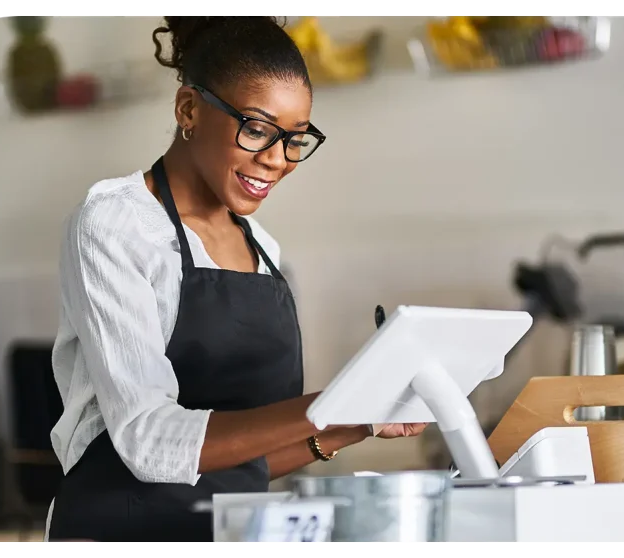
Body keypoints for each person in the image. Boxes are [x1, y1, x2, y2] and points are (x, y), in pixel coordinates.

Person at [44, 12, 427, 545]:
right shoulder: (114, 224)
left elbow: (241, 462)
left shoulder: (262, 248)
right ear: (189, 108)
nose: (277, 160)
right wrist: (331, 403)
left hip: (228, 532)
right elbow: (149, 442)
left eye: (295, 139)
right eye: (257, 129)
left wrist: (358, 420)